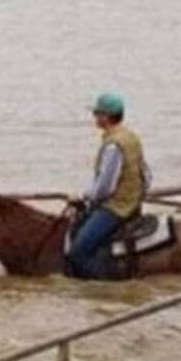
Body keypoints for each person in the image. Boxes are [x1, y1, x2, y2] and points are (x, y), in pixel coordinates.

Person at [65, 91, 150, 279]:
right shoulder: (130, 136)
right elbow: (145, 174)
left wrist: (82, 196)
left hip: (116, 208)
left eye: (96, 114)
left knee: (78, 253)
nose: (94, 117)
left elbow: (105, 188)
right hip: (132, 203)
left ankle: (107, 284)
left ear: (106, 117)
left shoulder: (113, 145)